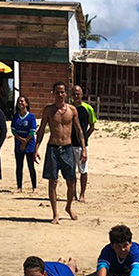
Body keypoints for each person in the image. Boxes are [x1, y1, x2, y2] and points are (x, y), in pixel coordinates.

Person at [35, 81, 86, 224]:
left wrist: (84, 149)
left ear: (66, 94)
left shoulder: (72, 110)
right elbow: (41, 131)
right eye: (57, 92)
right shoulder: (48, 110)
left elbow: (79, 130)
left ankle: (68, 207)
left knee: (71, 181)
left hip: (68, 148)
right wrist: (36, 149)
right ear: (53, 93)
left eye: (62, 92)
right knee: (52, 181)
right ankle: (55, 213)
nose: (60, 94)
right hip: (53, 148)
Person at [72, 85, 96, 201]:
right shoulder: (69, 108)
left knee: (83, 170)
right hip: (69, 144)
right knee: (71, 171)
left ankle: (82, 193)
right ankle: (73, 193)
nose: (76, 96)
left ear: (82, 95)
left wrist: (85, 138)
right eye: (74, 94)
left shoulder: (88, 108)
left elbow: (92, 126)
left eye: (78, 94)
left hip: (81, 145)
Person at [11, 95, 39, 191]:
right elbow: (13, 130)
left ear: (26, 103)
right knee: (19, 166)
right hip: (18, 142)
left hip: (29, 143)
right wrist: (20, 140)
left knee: (31, 165)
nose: (20, 103)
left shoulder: (31, 117)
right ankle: (19, 186)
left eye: (22, 101)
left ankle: (34, 186)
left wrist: (25, 141)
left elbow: (32, 130)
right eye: (19, 102)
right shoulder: (15, 117)